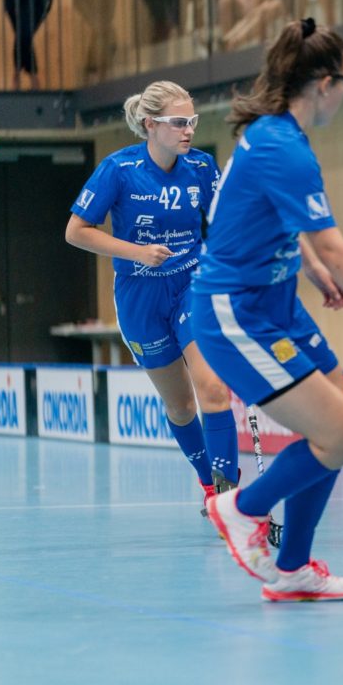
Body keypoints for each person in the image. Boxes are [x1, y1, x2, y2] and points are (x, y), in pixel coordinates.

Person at [193, 18, 343, 602]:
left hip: (278, 304)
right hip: (235, 313)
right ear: (324, 83)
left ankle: (292, 568)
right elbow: (333, 244)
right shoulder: (280, 146)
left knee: (338, 414)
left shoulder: (274, 137)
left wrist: (306, 268)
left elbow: (258, 220)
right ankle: (241, 509)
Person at [65, 81, 243, 513]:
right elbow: (76, 232)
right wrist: (137, 252)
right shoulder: (118, 169)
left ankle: (230, 498)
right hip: (139, 296)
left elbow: (224, 226)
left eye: (192, 122)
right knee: (181, 405)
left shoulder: (201, 167)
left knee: (214, 390)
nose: (189, 131)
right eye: (179, 123)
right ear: (150, 125)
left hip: (191, 286)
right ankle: (208, 483)